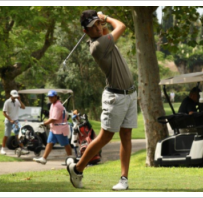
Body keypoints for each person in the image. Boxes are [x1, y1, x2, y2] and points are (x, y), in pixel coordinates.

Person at [67, 10, 137, 190]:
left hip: (129, 94)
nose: (98, 28)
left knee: (126, 135)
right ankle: (77, 168)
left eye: (98, 24)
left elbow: (107, 31)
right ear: (85, 31)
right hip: (115, 97)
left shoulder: (104, 37)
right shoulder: (98, 45)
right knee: (105, 137)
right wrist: (105, 17)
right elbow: (121, 26)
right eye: (93, 26)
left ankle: (124, 179)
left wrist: (101, 21)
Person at [33, 90, 72, 165]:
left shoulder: (57, 105)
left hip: (60, 129)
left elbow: (54, 118)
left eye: (51, 97)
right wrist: (46, 122)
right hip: (54, 128)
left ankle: (70, 159)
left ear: (55, 97)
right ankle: (44, 158)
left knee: (66, 144)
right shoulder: (53, 104)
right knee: (49, 142)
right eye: (49, 97)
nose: (50, 98)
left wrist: (45, 123)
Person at [1, 90, 28, 155]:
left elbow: (23, 107)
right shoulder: (7, 102)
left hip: (15, 121)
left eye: (16, 96)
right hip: (8, 121)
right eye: (14, 96)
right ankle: (3, 149)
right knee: (6, 135)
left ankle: (22, 148)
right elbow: (4, 113)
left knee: (18, 135)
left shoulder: (17, 101)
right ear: (11, 95)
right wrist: (10, 120)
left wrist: (20, 100)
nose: (15, 97)